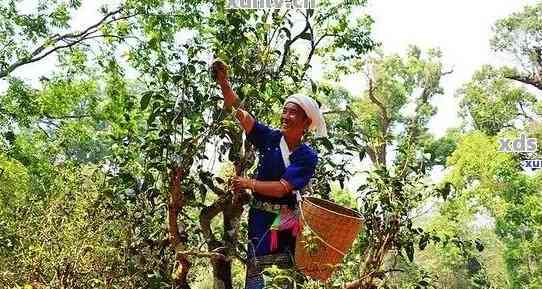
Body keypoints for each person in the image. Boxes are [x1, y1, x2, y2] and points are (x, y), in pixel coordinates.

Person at [212, 60, 327, 289]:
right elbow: (242, 115)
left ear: (306, 122)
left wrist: (247, 182)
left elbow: (283, 187)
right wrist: (224, 83)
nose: (285, 116)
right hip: (259, 216)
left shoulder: (307, 156)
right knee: (257, 274)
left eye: (292, 113)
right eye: (284, 110)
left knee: (281, 276)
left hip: (287, 219)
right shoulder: (271, 138)